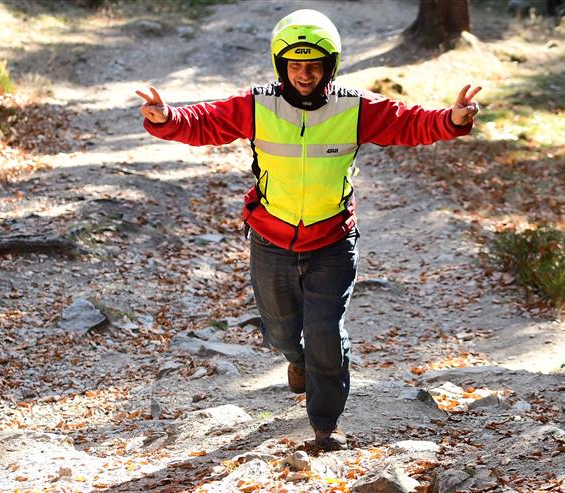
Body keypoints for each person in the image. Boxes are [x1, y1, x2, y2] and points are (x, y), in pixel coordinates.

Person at [136, 9, 481, 451]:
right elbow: (205, 122)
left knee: (326, 333)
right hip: (271, 239)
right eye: (295, 65)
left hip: (332, 241)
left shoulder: (354, 107)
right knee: (282, 333)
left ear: (330, 66)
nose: (304, 74)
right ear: (281, 66)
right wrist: (165, 118)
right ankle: (296, 359)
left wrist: (452, 119)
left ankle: (325, 425)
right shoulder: (258, 105)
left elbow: (409, 122)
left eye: (314, 65)